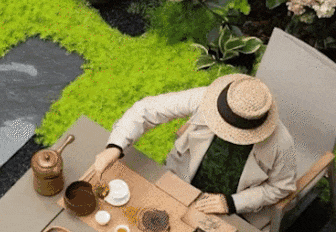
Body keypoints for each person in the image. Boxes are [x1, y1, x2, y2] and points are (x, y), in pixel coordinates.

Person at [93, 74, 296, 218]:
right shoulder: (208, 99)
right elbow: (146, 110)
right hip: (179, 182)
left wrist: (233, 203)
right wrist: (115, 146)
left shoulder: (281, 142)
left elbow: (281, 187)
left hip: (227, 212)